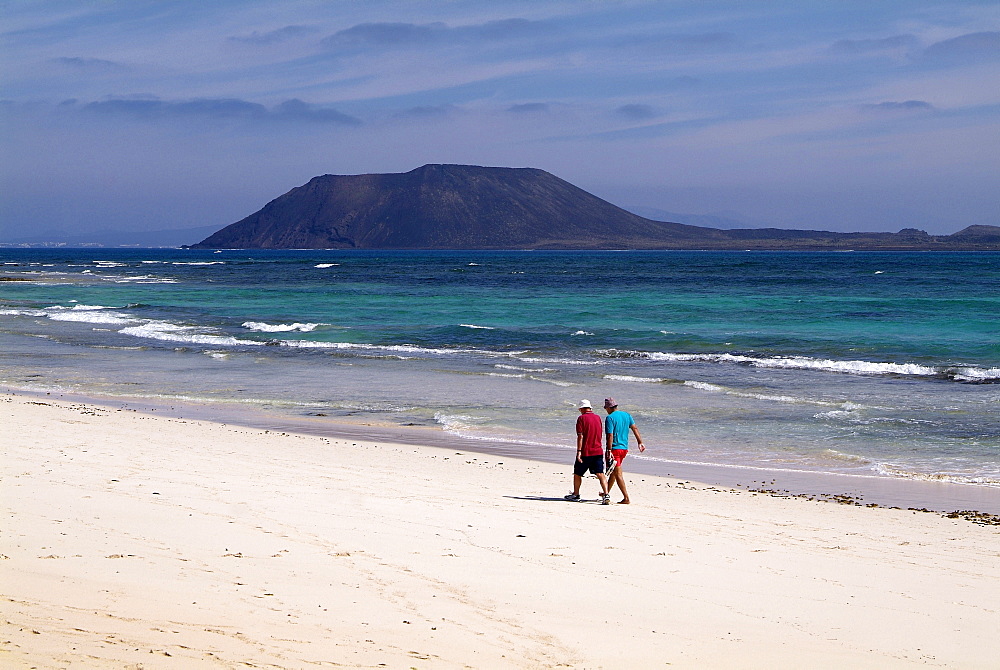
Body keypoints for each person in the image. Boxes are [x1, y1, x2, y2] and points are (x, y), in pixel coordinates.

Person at [565, 399, 611, 504]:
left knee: (577, 473)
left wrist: (579, 451)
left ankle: (576, 494)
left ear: (581, 408)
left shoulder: (581, 419)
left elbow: (580, 436)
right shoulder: (598, 418)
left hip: (586, 451)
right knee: (600, 473)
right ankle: (606, 494)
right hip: (598, 450)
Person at [603, 397, 645, 504]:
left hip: (615, 449)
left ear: (608, 408)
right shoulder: (627, 415)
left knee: (618, 474)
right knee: (613, 471)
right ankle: (606, 493)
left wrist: (608, 450)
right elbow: (635, 428)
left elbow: (610, 435)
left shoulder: (610, 418)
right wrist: (640, 442)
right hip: (624, 449)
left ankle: (626, 498)